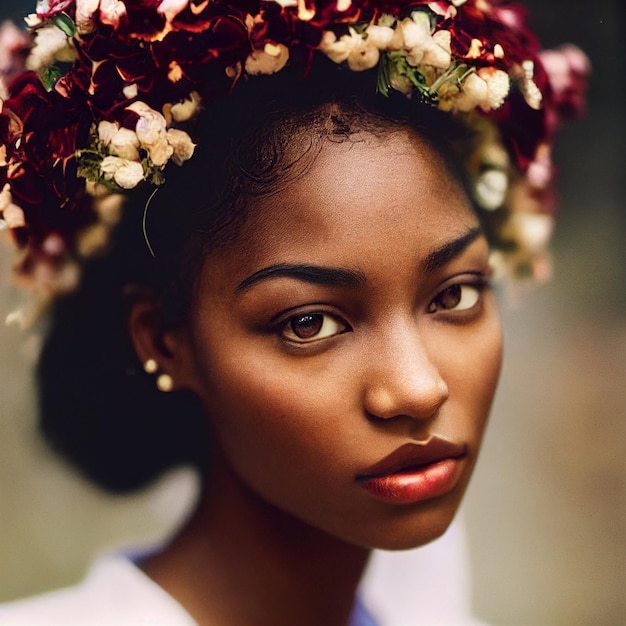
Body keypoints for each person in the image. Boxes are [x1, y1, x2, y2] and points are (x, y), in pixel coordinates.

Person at [0, 1, 588, 624]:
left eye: (455, 294)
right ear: (166, 341)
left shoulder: (427, 597)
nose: (418, 390)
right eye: (309, 323)